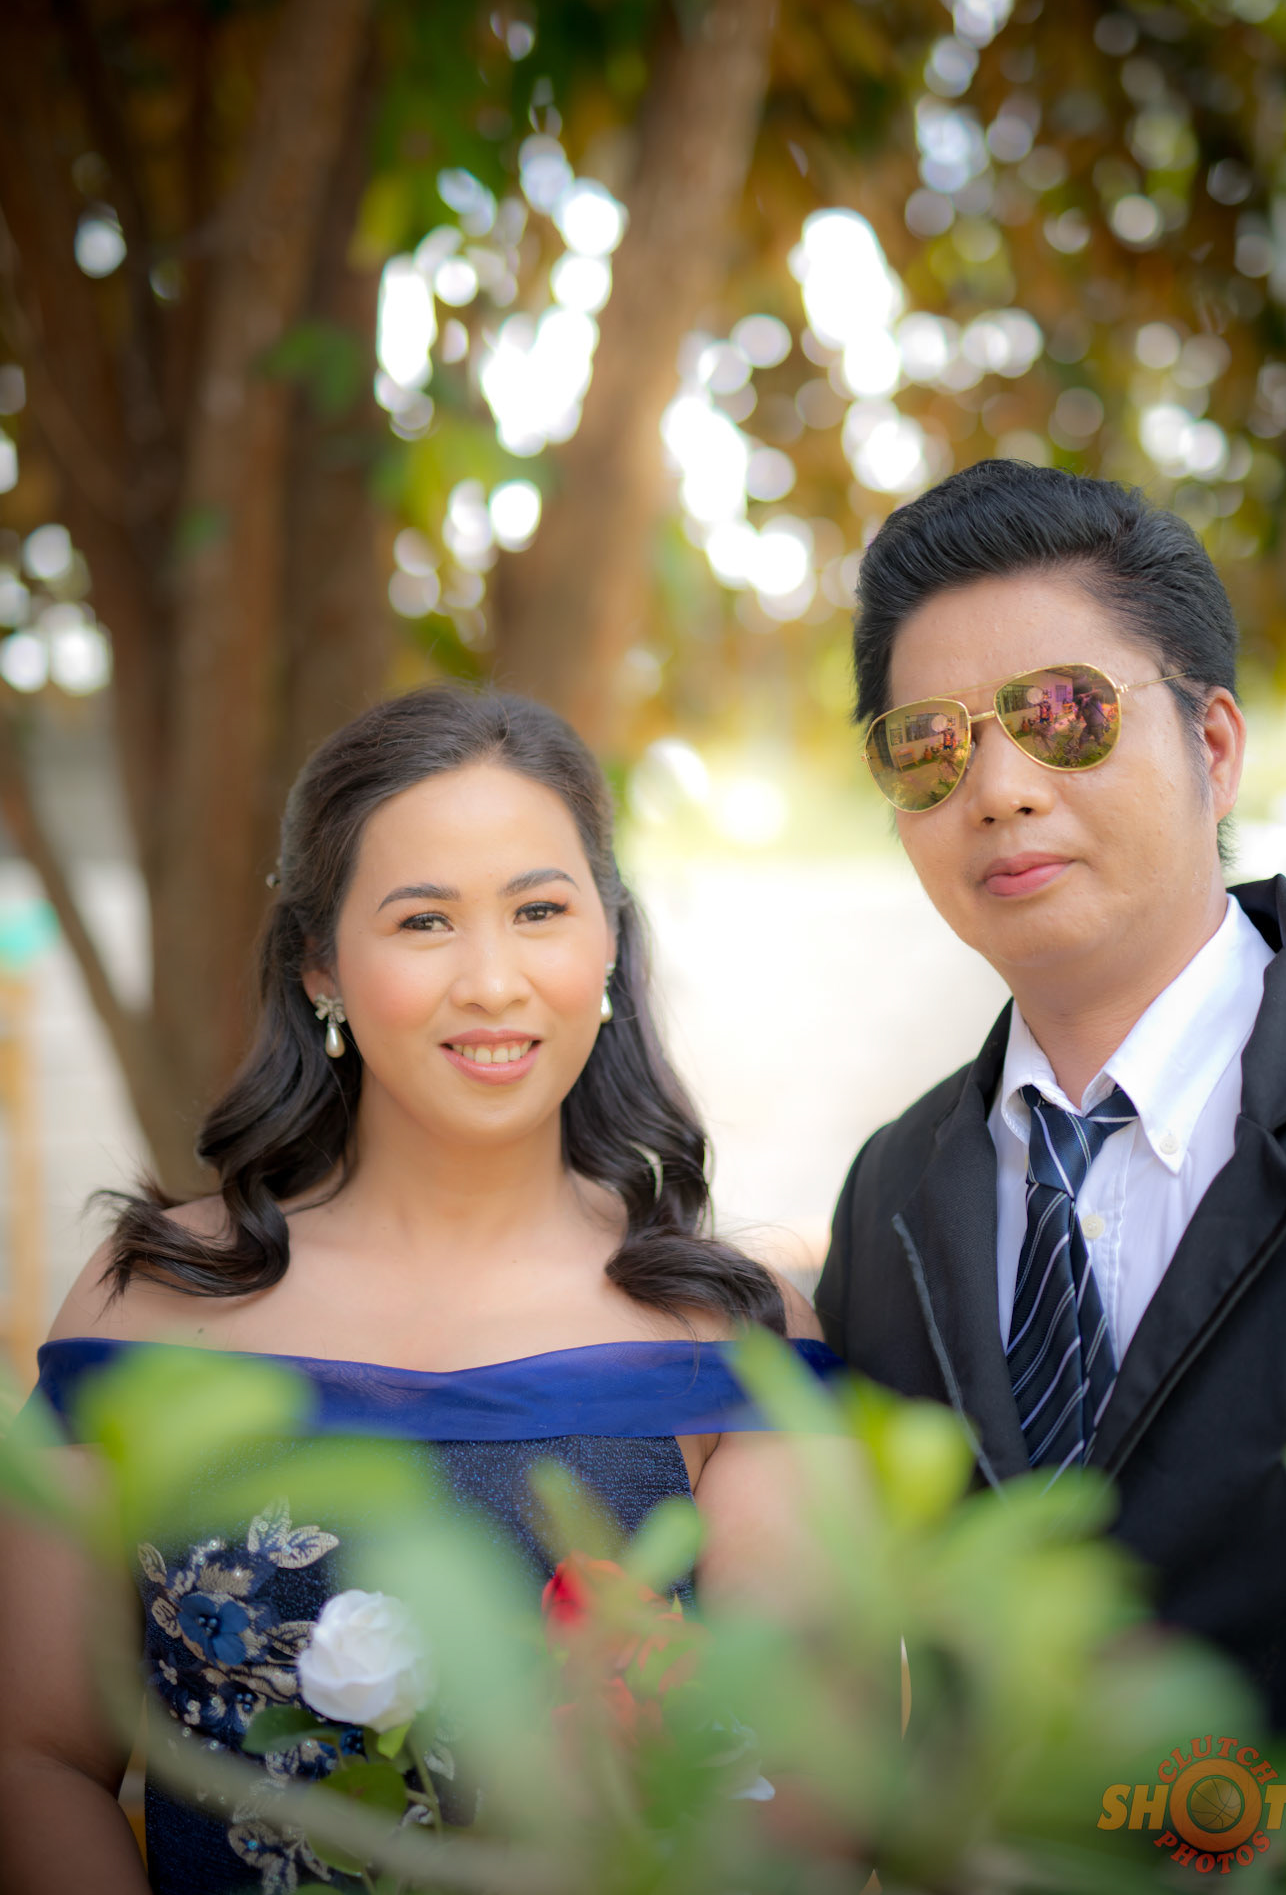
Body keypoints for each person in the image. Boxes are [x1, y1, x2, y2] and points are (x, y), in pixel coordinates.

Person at [0, 685, 828, 1895]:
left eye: (539, 910)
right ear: (320, 965)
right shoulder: (149, 1301)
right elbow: (34, 1758)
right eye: (425, 920)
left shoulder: (735, 1331)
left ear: (607, 940)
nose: (492, 980)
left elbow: (808, 1796)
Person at [817, 458, 1286, 1738]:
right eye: (931, 743)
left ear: (1212, 746)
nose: (1000, 788)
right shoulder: (889, 1196)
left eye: (1066, 711)